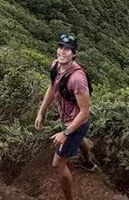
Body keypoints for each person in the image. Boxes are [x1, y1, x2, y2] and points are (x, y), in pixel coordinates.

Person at [34, 33, 91, 200]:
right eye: (60, 47)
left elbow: (84, 112)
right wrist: (41, 111)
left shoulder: (77, 79)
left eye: (68, 49)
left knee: (58, 165)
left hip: (77, 122)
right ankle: (89, 162)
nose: (62, 52)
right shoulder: (55, 66)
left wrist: (65, 133)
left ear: (74, 54)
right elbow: (53, 88)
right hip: (68, 120)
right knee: (79, 139)